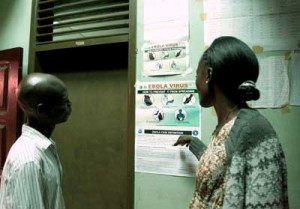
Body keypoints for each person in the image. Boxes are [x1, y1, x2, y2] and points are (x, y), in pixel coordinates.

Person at [174, 36, 289, 209]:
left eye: (197, 73)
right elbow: (222, 168)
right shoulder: (228, 124)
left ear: (208, 74)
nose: (195, 82)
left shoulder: (253, 129)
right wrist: (193, 143)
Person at [0, 73, 72, 209]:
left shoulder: (43, 147)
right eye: (63, 102)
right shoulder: (29, 159)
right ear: (42, 110)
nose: (69, 105)